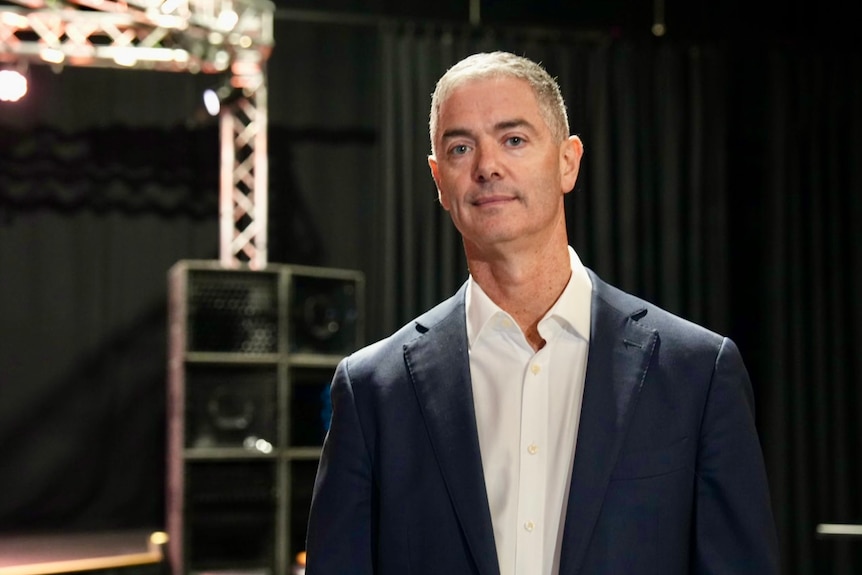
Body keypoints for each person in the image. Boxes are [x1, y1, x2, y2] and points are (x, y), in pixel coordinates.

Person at [305, 51, 779, 575]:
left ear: (567, 162)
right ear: (439, 180)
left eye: (513, 139)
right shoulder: (373, 391)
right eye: (461, 147)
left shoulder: (696, 373)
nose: (487, 166)